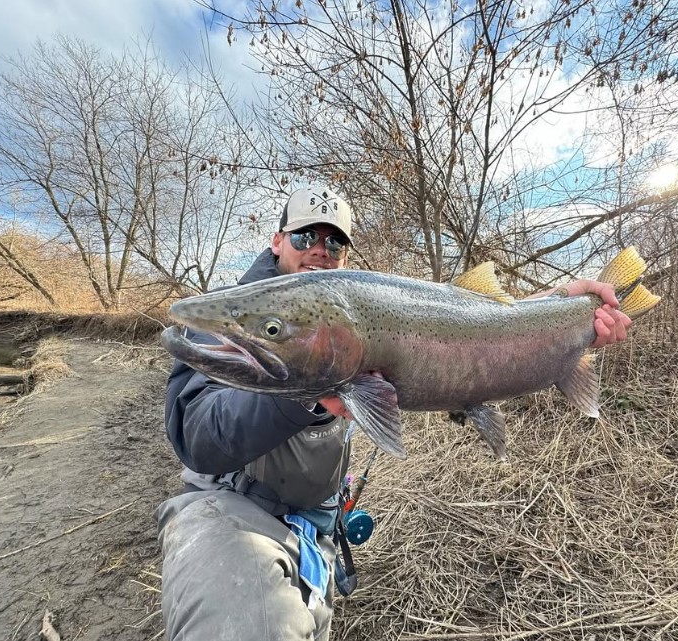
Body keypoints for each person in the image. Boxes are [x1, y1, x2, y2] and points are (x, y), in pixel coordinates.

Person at [155, 185, 632, 641]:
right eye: (304, 236)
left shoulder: (353, 308)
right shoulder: (241, 324)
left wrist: (563, 307)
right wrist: (304, 395)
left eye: (335, 243)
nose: (319, 249)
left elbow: (471, 324)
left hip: (315, 531)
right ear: (277, 240)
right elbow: (195, 436)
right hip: (229, 513)